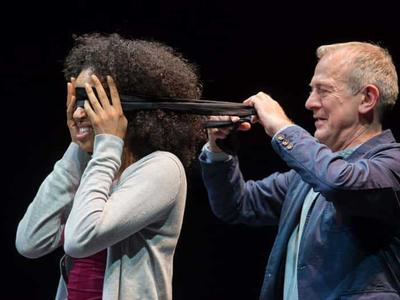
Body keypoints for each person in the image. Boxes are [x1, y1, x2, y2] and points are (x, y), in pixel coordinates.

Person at [200, 42, 400, 299]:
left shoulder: (393, 162)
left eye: (323, 91)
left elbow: (339, 183)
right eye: (310, 91)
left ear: (367, 99)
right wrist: (219, 148)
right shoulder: (306, 178)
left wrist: (281, 127)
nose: (309, 103)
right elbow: (237, 204)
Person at [16, 33, 206, 300]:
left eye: (91, 101)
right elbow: (30, 241)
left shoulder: (162, 168)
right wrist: (78, 149)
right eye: (76, 101)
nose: (79, 113)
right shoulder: (91, 164)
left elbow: (81, 238)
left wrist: (106, 145)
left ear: (125, 108)